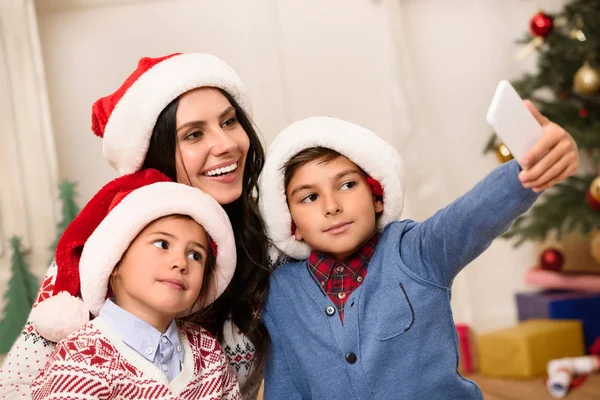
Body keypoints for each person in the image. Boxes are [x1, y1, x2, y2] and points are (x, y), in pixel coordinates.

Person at [0, 53, 269, 399]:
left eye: (230, 122)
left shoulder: (269, 239)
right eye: (194, 134)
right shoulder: (106, 247)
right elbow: (16, 387)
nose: (227, 144)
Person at [257, 112, 579, 399]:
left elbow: (471, 216)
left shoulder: (416, 251)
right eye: (310, 197)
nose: (331, 206)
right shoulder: (281, 294)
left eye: (347, 185)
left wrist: (529, 167)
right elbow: (285, 387)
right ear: (292, 223)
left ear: (376, 195)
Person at [30, 168, 240, 399]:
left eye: (195, 255)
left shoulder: (208, 352)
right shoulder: (82, 357)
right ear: (115, 262)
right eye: (162, 244)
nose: (181, 262)